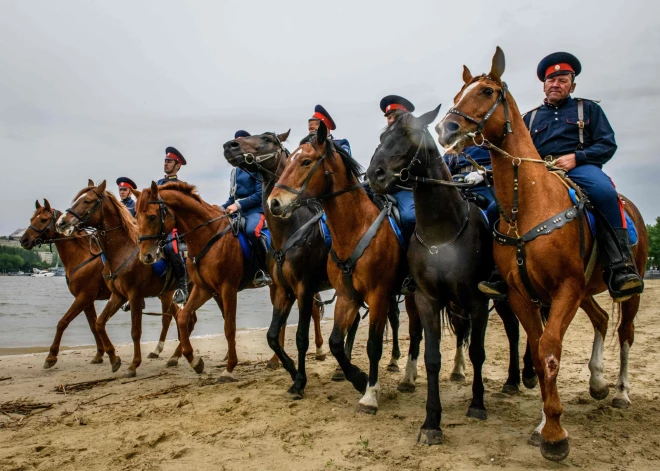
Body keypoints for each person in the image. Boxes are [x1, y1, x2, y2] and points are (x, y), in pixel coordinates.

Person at [478, 51, 643, 302]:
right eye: (551, 80)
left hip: (580, 168)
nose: (556, 84)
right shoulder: (529, 118)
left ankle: (620, 266)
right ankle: (499, 272)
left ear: (572, 85)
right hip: (538, 174)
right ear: (544, 85)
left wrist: (578, 158)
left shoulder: (588, 109)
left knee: (605, 194)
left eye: (562, 79)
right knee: (494, 209)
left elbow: (607, 144)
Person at [222, 130, 272, 287]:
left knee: (252, 231)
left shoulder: (256, 167)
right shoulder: (235, 172)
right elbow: (232, 198)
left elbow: (260, 195)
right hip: (238, 212)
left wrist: (237, 205)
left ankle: (264, 271)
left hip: (256, 211)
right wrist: (218, 208)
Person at [377, 95, 417, 244]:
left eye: (395, 116)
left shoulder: (415, 138)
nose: (391, 120)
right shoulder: (383, 141)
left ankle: (410, 252)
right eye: (388, 117)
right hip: (381, 190)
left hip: (404, 189)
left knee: (409, 218)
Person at [158, 146, 189, 303]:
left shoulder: (181, 186)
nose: (166, 164)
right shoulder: (158, 183)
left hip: (174, 228)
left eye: (169, 161)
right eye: (165, 161)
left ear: (177, 166)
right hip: (156, 228)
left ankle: (183, 287)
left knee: (170, 247)